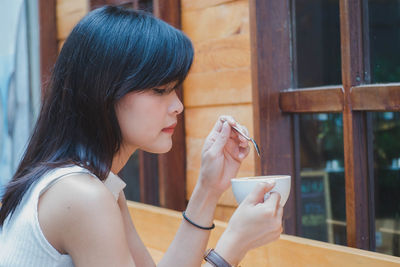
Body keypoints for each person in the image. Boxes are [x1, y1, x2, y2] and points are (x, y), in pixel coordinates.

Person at [0, 5, 283, 267]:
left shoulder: (97, 184)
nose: (178, 106)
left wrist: (209, 189)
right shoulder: (83, 196)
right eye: (160, 90)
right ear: (104, 92)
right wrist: (234, 244)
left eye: (174, 89)